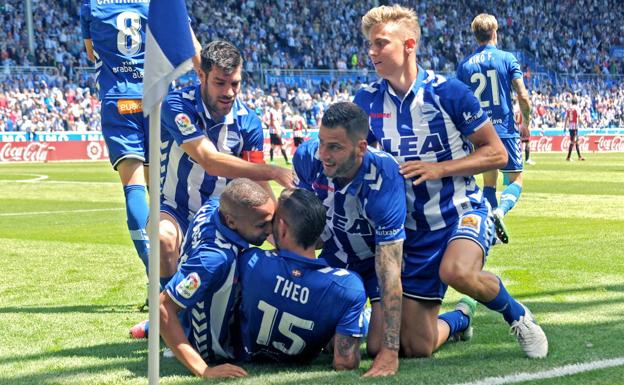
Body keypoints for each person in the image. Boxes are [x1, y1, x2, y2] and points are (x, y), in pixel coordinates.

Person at [354, 4, 548, 374]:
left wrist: (438, 169)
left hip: (462, 211)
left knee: (456, 271)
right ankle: (461, 317)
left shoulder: (450, 93)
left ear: (409, 45)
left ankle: (517, 315)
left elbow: (496, 152)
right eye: (370, 45)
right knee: (413, 346)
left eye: (380, 43)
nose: (372, 52)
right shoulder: (366, 100)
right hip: (411, 231)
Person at [157, 40, 293, 290]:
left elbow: (258, 181)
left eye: (235, 83)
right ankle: (165, 313)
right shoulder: (178, 106)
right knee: (162, 239)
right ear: (201, 76)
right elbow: (210, 161)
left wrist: (282, 230)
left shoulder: (248, 122)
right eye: (220, 82)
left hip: (223, 217)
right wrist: (275, 171)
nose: (229, 92)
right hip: (177, 208)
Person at [293, 101, 416, 375]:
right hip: (335, 257)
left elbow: (389, 265)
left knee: (376, 347)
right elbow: (306, 228)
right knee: (321, 346)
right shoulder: (306, 157)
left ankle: (459, 318)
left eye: (334, 147)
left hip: (373, 263)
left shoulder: (384, 176)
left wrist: (389, 351)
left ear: (361, 148)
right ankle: (356, 313)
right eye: (321, 142)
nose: (323, 154)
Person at [237, 188, 366, 370]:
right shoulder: (347, 287)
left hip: (247, 354)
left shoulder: (251, 261)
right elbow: (345, 362)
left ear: (281, 227)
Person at [159, 178, 274, 379]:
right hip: (212, 347)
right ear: (231, 222)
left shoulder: (214, 205)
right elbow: (162, 307)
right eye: (261, 225)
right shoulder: (213, 260)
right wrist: (203, 369)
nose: (270, 230)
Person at [80, 0, 151, 281]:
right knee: (161, 190)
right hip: (155, 96)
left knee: (134, 187)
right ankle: (173, 271)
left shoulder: (91, 4)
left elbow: (90, 51)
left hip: (120, 99)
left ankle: (155, 273)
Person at [457, 13, 533, 244]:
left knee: (489, 183)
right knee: (515, 180)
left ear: (475, 35)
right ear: (495, 32)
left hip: (480, 133)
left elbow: (459, 101)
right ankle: (500, 212)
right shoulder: (507, 58)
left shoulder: (465, 65)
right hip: (505, 129)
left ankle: (489, 230)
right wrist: (526, 123)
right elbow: (522, 95)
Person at [267, 99, 290, 164]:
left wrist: (281, 128)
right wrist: (277, 130)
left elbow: (278, 121)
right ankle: (286, 160)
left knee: (273, 146)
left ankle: (272, 160)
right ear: (276, 105)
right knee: (282, 145)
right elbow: (273, 122)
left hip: (276, 130)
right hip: (274, 131)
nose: (280, 105)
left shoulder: (279, 111)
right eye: (279, 104)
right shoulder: (272, 111)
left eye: (280, 104)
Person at [514, 96, 535, 165]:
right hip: (524, 126)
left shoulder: (515, 108)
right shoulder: (524, 109)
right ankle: (527, 159)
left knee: (519, 143)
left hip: (517, 126)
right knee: (527, 143)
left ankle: (518, 158)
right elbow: (528, 118)